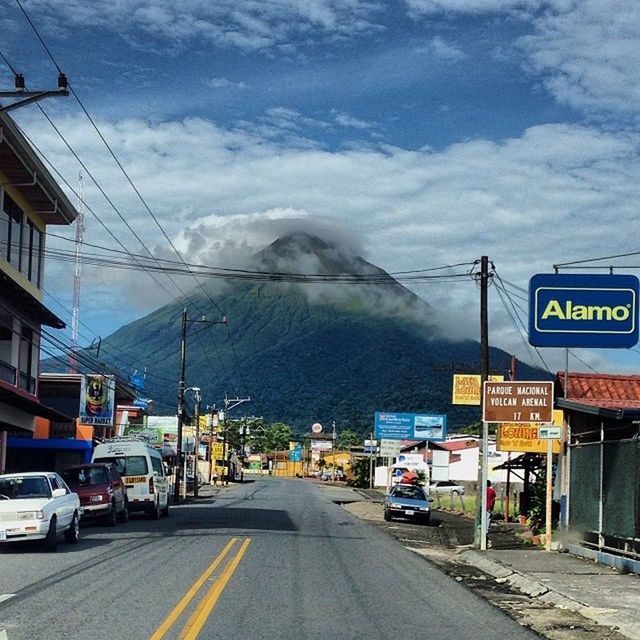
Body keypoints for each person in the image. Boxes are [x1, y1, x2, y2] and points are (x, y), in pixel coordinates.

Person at [486, 480, 497, 546]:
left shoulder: (481, 490)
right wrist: (492, 508)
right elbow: (493, 500)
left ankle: (485, 539)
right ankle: (486, 533)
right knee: (487, 521)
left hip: (482, 507)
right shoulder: (492, 491)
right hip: (489, 507)